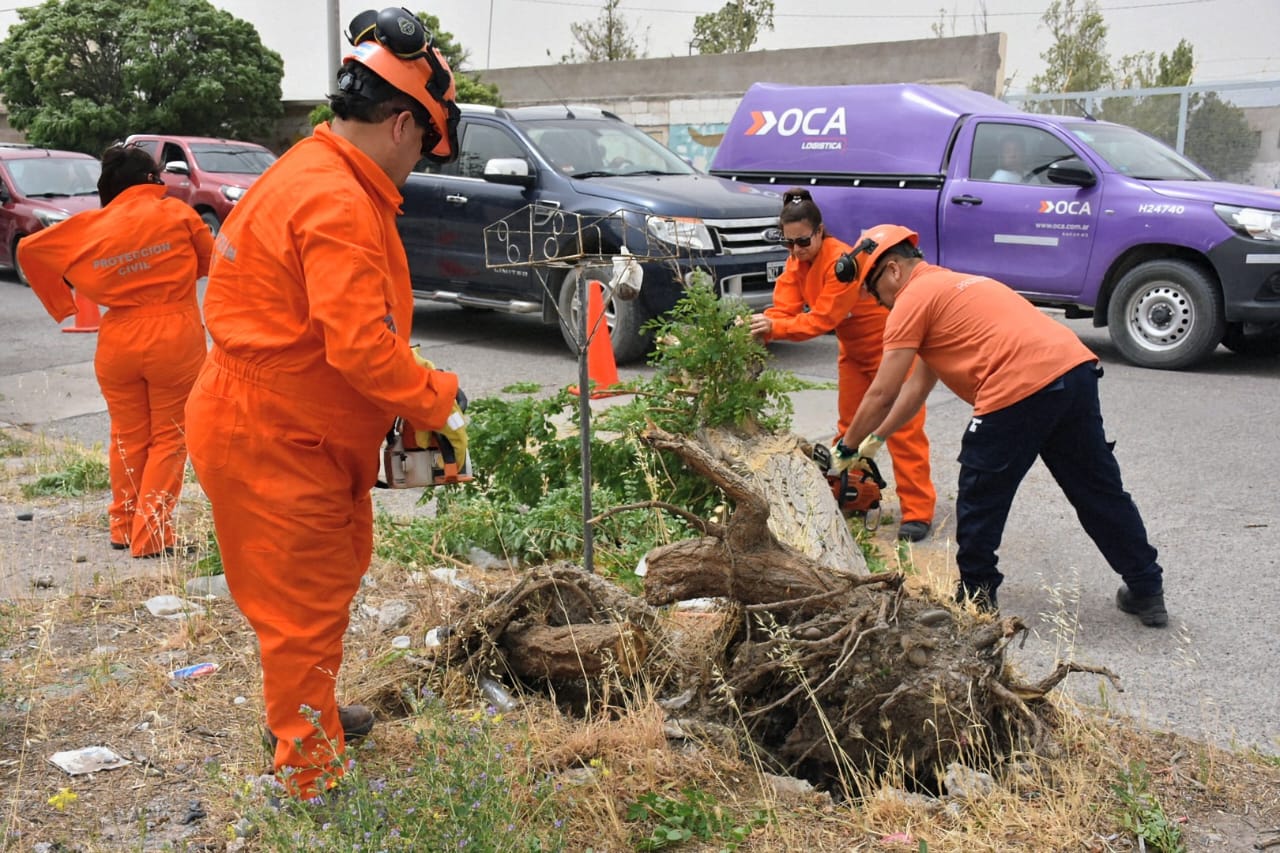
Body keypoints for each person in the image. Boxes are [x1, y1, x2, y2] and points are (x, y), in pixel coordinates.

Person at [184, 7, 467, 799]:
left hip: (287, 422)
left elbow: (345, 336)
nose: (420, 163)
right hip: (274, 430)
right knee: (300, 601)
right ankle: (309, 769)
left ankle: (309, 707)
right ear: (406, 124)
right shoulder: (338, 200)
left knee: (326, 577)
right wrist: (437, 398)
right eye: (427, 146)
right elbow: (359, 348)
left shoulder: (314, 170)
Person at [831, 224, 1168, 627]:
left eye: (873, 288)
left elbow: (881, 391)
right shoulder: (952, 286)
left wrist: (844, 450)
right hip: (1073, 372)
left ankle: (976, 598)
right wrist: (876, 439)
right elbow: (915, 387)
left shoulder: (911, 299)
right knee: (1098, 489)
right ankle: (1147, 589)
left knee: (979, 495)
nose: (876, 301)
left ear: (893, 271)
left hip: (1018, 385)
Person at [20, 143, 212, 559]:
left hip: (118, 337)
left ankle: (124, 526)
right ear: (152, 180)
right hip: (173, 336)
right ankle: (153, 535)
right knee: (170, 439)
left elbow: (28, 250)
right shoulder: (177, 213)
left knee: (126, 437)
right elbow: (209, 262)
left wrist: (63, 304)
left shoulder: (90, 225)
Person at [749, 189, 935, 542]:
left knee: (904, 432)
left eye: (802, 242)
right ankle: (850, 494)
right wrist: (762, 327)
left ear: (820, 231)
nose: (795, 251)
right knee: (849, 428)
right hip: (853, 354)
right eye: (788, 244)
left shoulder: (841, 263)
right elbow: (783, 309)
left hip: (891, 351)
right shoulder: (797, 261)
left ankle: (918, 511)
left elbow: (820, 320)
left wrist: (776, 327)